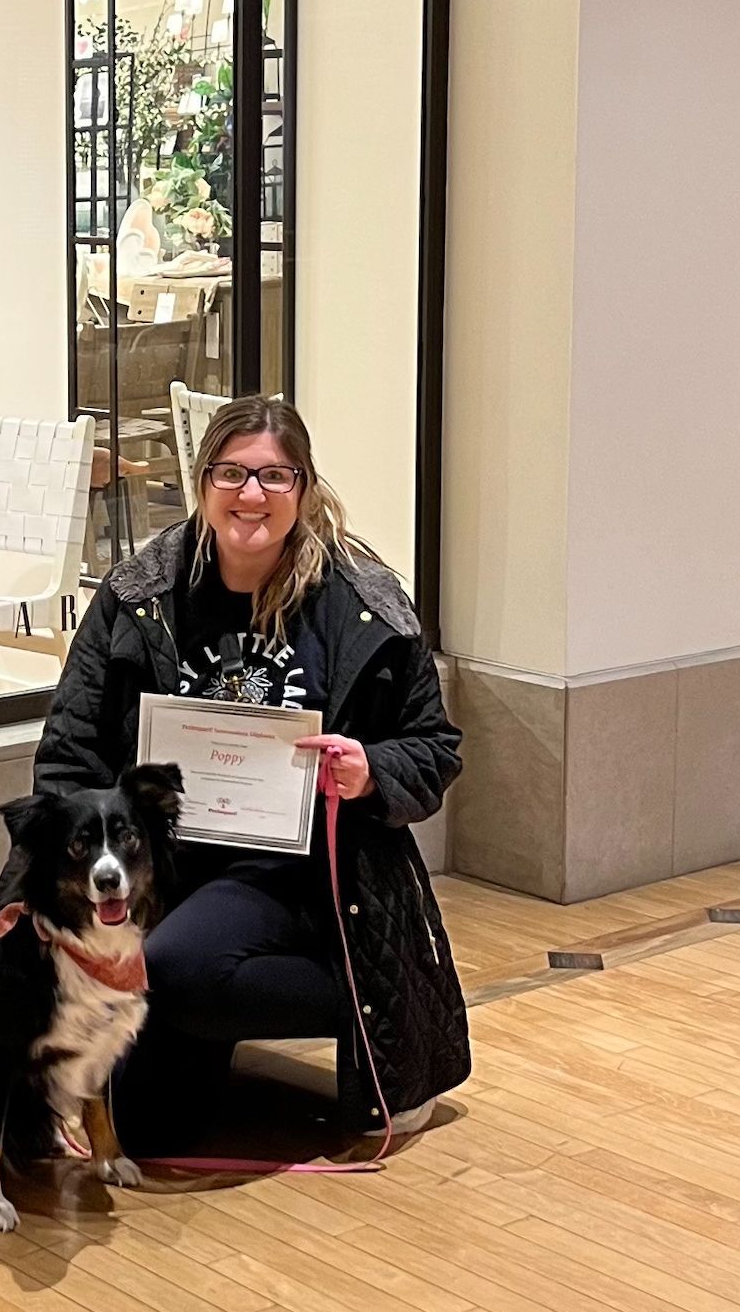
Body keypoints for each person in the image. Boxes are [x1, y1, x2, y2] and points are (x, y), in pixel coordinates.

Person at [34, 394, 470, 1152]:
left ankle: (378, 999)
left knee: (177, 969)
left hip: (319, 876)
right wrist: (41, 892)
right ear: (201, 480)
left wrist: (371, 770)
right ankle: (196, 1022)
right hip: (169, 872)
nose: (251, 494)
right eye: (231, 473)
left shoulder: (362, 601)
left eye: (274, 476)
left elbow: (433, 745)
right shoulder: (139, 596)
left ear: (301, 488)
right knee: (144, 1129)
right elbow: (71, 752)